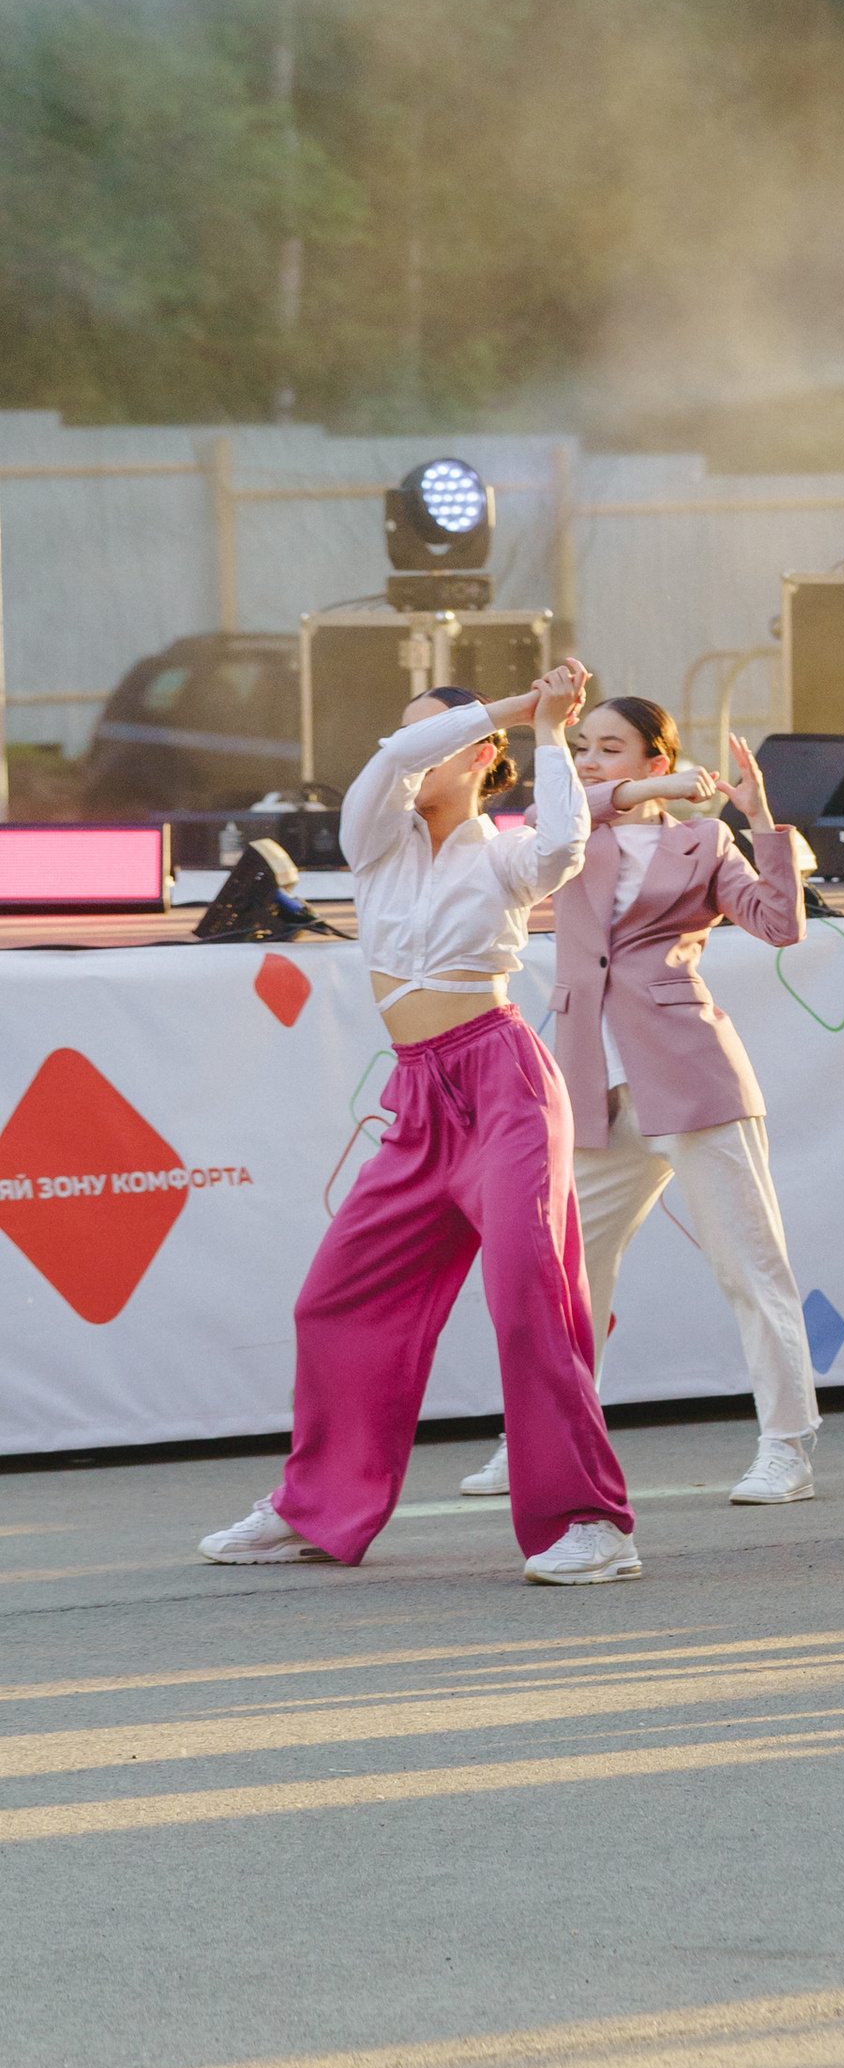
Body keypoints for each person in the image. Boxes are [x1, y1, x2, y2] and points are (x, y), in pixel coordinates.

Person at [199, 669, 639, 1587]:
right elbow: (394, 759)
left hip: (504, 1084)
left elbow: (563, 843)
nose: (404, 751)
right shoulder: (375, 839)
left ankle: (592, 1522)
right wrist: (515, 707)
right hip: (418, 1100)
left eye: (434, 737)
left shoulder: (507, 854)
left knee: (531, 1300)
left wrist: (551, 733)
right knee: (335, 1302)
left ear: (479, 760)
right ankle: (315, 1509)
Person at [459, 698, 820, 1514]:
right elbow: (555, 813)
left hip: (692, 1074)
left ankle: (787, 1445)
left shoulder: (705, 839)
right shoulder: (564, 836)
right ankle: (541, 1439)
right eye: (582, 746)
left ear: (657, 761)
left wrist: (762, 821)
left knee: (749, 1267)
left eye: (609, 748)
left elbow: (779, 924)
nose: (588, 760)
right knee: (562, 1277)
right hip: (591, 1081)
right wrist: (611, 793)